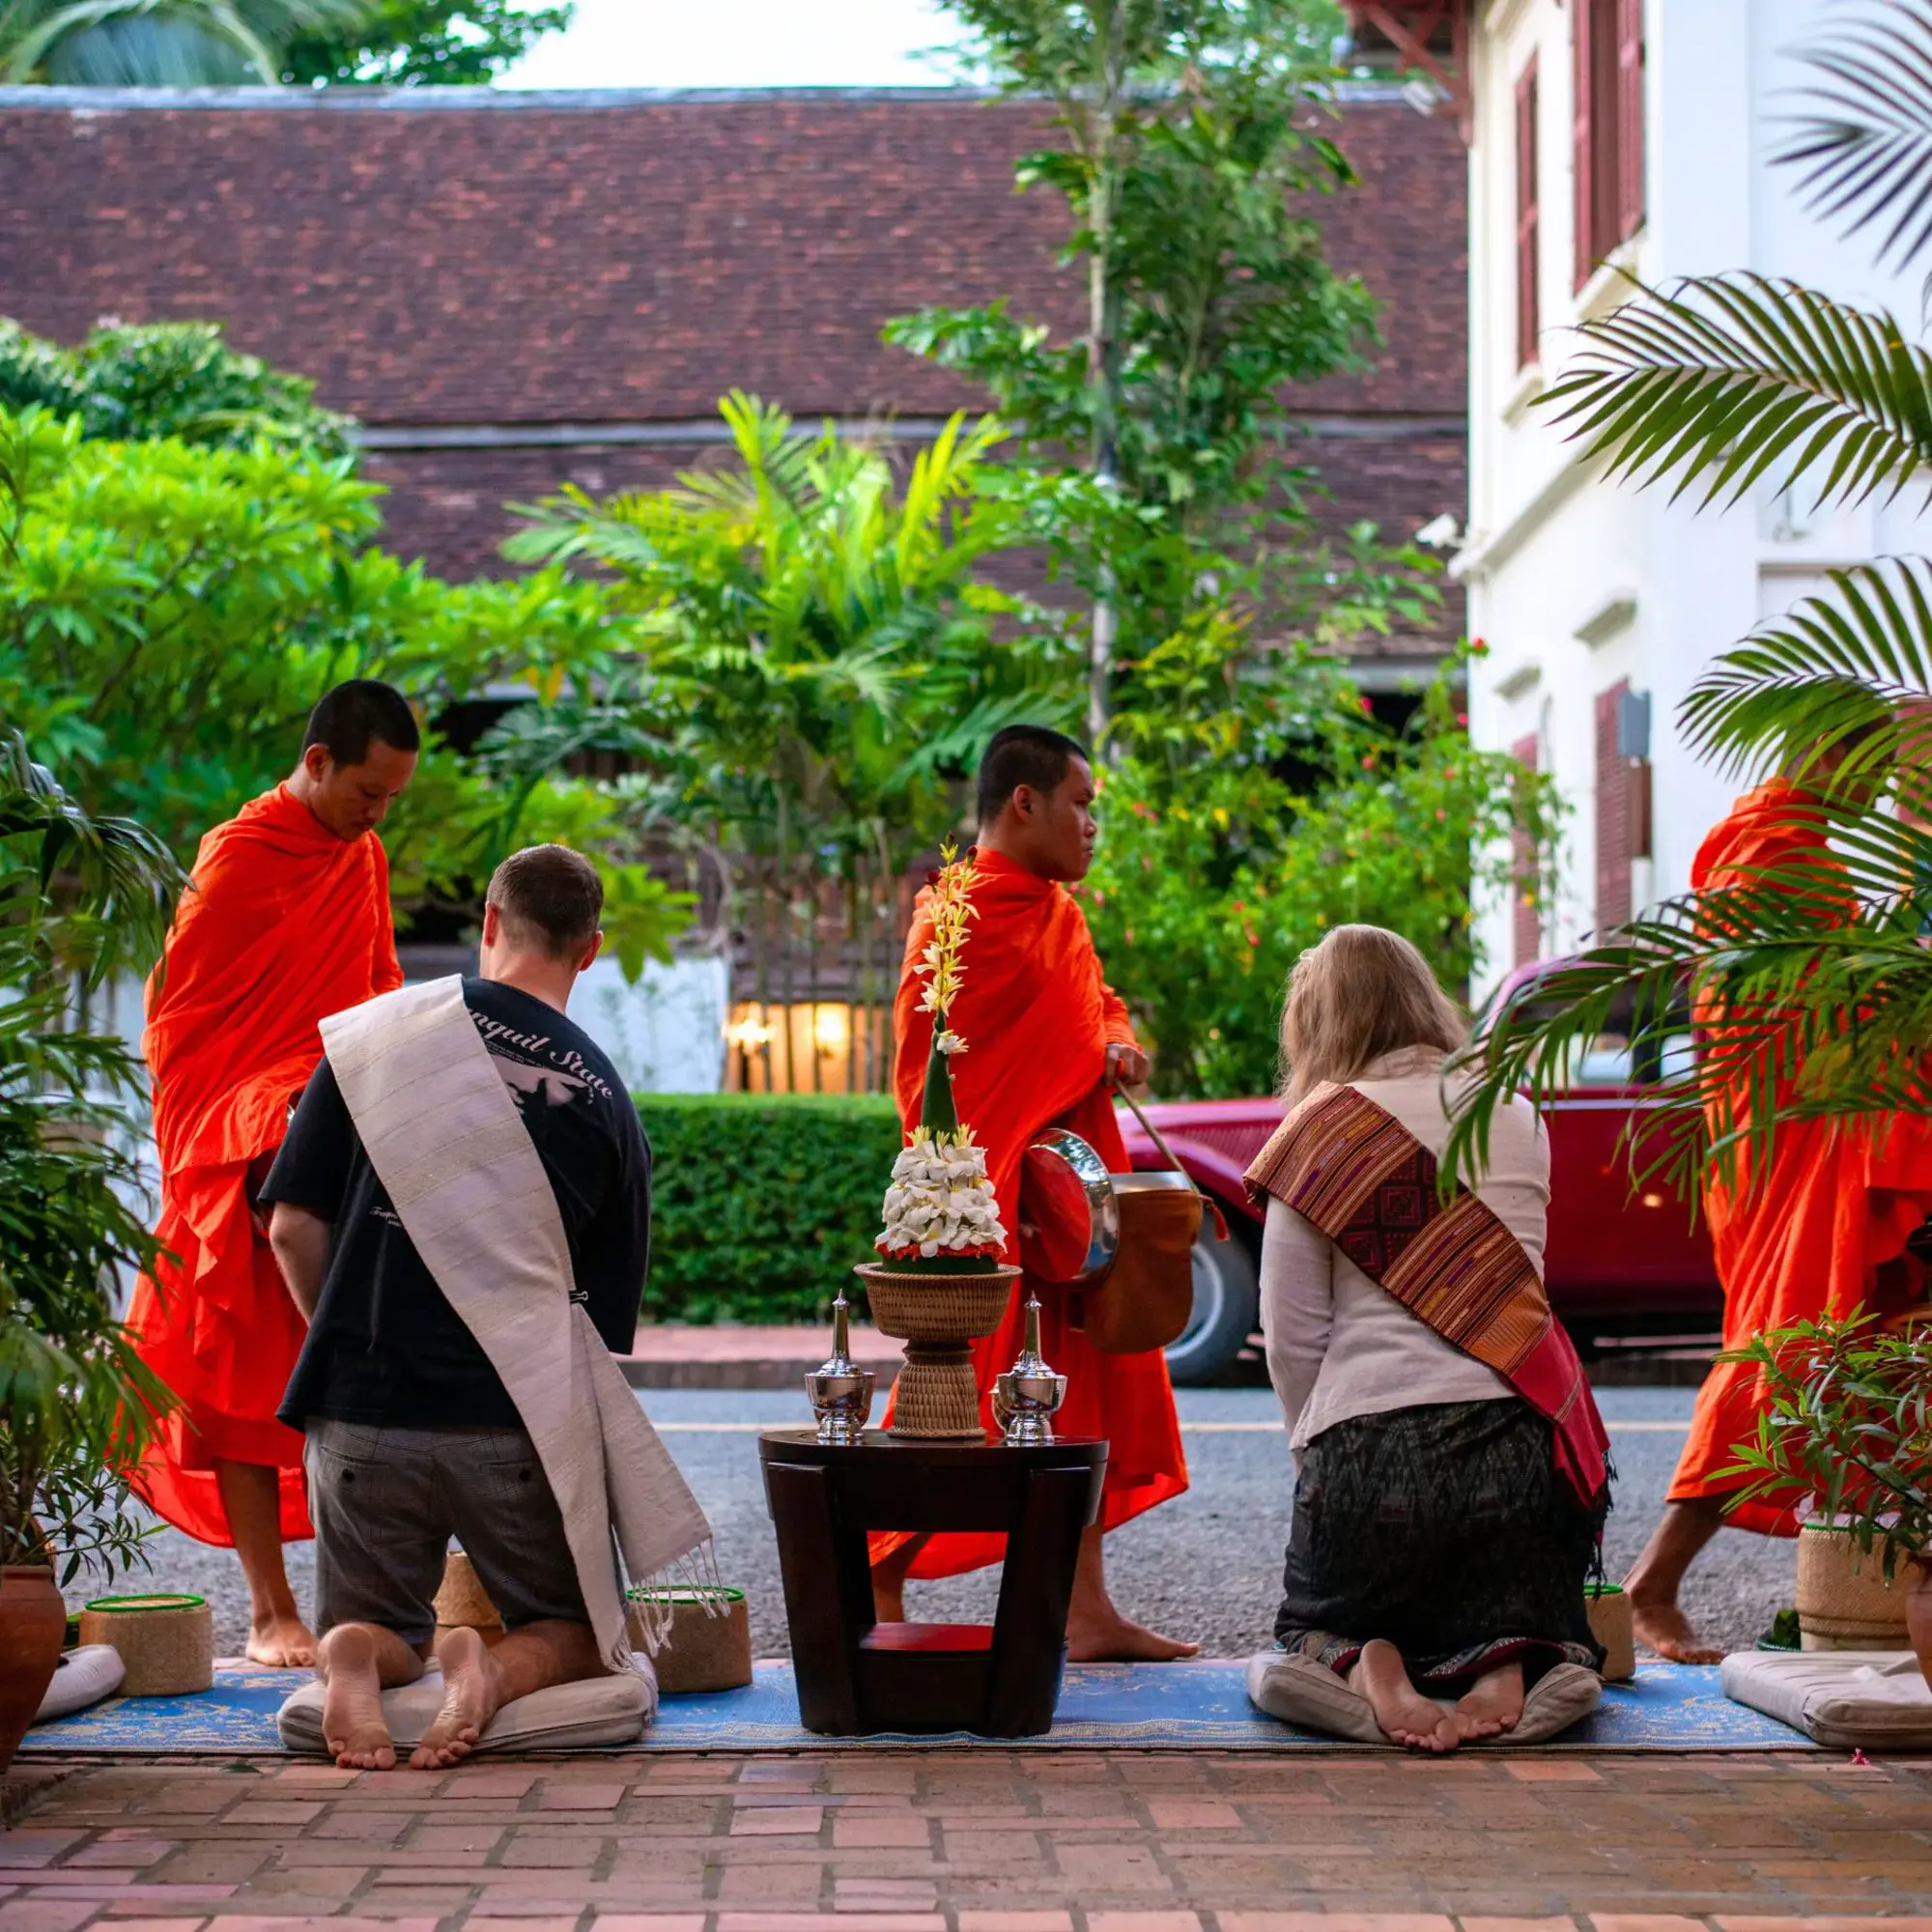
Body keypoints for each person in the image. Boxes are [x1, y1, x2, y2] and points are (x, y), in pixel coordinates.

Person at [264, 844, 708, 1771]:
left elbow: (290, 1226)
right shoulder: (605, 1100)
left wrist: (344, 1338)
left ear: (490, 924)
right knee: (584, 1631)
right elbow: (592, 1323)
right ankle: (495, 1673)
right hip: (507, 1423)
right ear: (589, 952)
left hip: (359, 1405)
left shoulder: (377, 1038)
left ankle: (354, 1649)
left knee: (385, 1626)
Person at [869, 724, 1196, 1662]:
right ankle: (878, 1555)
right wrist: (1077, 1056)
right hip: (991, 1211)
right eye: (1080, 804)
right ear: (1024, 803)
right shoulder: (955, 917)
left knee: (1077, 1386)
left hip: (1068, 1205)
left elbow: (1092, 1004)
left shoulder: (1057, 912)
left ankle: (1081, 1605)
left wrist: (1114, 1037)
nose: (1091, 824)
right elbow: (928, 1077)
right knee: (960, 1399)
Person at [1246, 925, 1609, 1751]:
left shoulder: (1316, 1132)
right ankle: (1514, 1660)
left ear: (1320, 1024)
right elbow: (1525, 1295)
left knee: (1301, 1636)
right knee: (1551, 1632)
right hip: (1519, 1453)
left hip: (1368, 1457)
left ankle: (1360, 1662)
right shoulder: (1514, 1112)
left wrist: (1325, 1465)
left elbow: (1292, 1341)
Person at [127, 680, 418, 1667]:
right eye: (366, 793)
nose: (375, 814)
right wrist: (264, 1107)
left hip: (336, 1131)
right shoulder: (238, 857)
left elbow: (374, 989)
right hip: (244, 1141)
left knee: (363, 1375)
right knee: (245, 1377)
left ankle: (370, 1601)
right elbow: (181, 1025)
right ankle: (267, 1608)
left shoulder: (360, 856)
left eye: (390, 800)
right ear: (319, 760)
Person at [1625, 754, 1932, 1662]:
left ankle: (1867, 1596)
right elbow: (1827, 1004)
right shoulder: (1784, 855)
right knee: (1783, 1358)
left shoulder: (1775, 846)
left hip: (1807, 1146)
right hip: (1810, 1154)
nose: (1879, 791)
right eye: (1875, 768)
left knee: (1859, 1360)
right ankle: (1652, 1584)